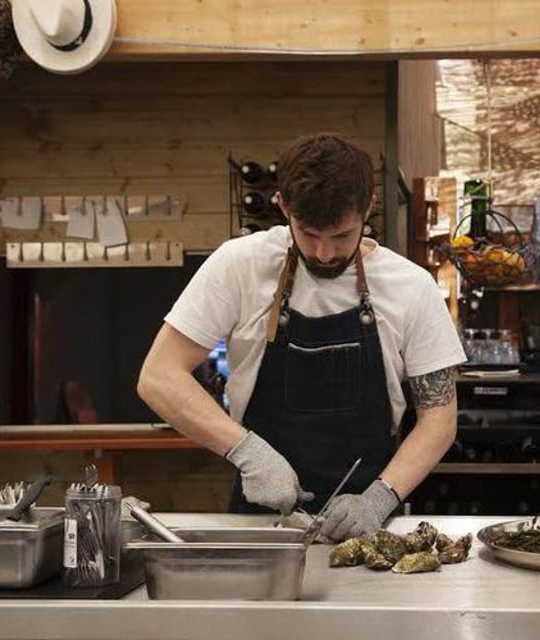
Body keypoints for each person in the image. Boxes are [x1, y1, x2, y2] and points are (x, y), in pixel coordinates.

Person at [137, 133, 466, 541]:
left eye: (341, 236)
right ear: (282, 206)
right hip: (262, 527)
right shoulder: (239, 265)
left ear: (368, 208)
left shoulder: (411, 287)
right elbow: (159, 376)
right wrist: (247, 452)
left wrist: (380, 498)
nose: (325, 254)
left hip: (369, 528)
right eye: (309, 234)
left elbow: (439, 419)